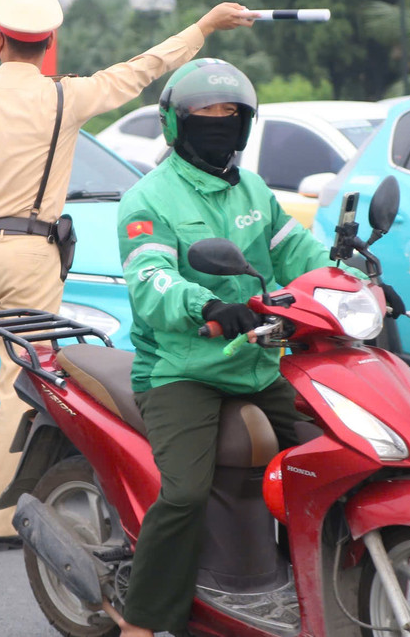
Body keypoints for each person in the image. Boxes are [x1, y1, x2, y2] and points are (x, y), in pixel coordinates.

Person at [0, 0, 257, 552]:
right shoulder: (65, 97)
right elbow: (144, 68)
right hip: (32, 251)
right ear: (49, 45)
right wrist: (202, 27)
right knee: (20, 381)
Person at [103, 59, 348, 637]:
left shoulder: (253, 190)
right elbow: (151, 281)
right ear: (175, 124)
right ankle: (141, 621)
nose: (219, 123)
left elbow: (299, 254)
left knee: (333, 462)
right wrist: (206, 306)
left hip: (259, 362)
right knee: (185, 493)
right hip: (181, 369)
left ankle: (309, 588)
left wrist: (355, 284)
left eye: (229, 114)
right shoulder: (149, 199)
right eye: (206, 113)